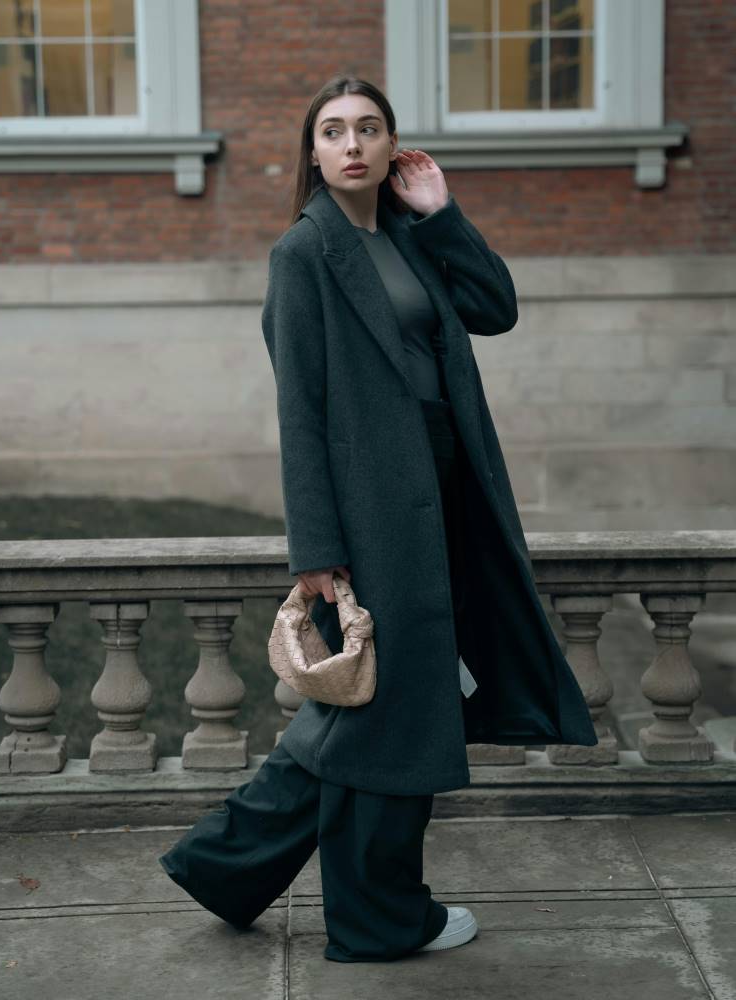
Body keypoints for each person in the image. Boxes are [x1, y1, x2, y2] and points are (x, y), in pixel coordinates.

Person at [159, 72, 596, 963]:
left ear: (394, 147)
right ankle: (378, 917)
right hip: (371, 522)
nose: (352, 143)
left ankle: (230, 864)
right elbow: (302, 411)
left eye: (369, 128)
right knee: (397, 713)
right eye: (333, 131)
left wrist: (441, 213)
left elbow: (495, 309)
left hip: (449, 501)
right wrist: (317, 546)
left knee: (372, 712)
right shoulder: (303, 254)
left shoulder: (409, 234)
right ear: (313, 154)